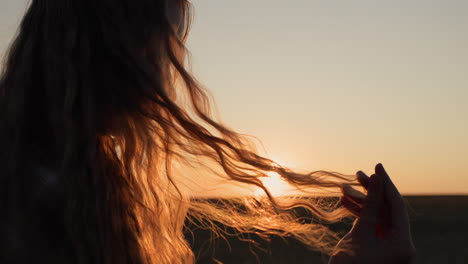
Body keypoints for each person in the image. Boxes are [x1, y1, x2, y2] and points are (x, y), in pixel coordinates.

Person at [0, 0, 415, 263]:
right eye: (162, 48)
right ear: (115, 48)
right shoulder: (47, 194)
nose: (164, 79)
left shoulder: (80, 177)